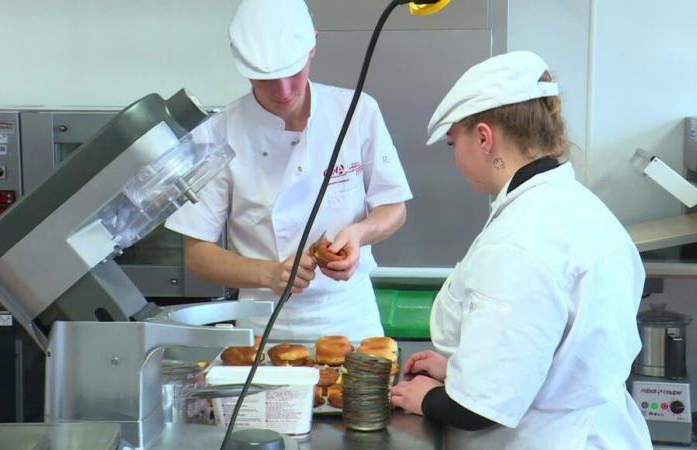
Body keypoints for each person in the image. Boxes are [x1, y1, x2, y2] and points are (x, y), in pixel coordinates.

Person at [390, 51, 651, 449]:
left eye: (453, 144)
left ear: (483, 137)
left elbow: (479, 410)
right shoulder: (575, 206)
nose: (456, 160)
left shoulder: (519, 241)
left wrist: (426, 398)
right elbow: (551, 351)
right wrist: (460, 370)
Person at [164, 0, 412, 340]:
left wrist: (359, 234)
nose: (283, 92)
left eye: (292, 74)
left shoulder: (357, 111)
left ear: (313, 46)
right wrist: (269, 274)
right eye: (267, 80)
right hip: (264, 324)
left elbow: (394, 208)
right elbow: (197, 254)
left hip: (350, 317)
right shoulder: (217, 134)